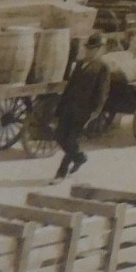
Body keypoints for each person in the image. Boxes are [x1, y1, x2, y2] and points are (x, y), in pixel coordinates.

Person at [52, 33, 112, 181]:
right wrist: (60, 107)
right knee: (59, 136)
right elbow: (70, 86)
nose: (91, 52)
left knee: (72, 140)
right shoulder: (79, 64)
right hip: (69, 107)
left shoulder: (102, 67)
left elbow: (102, 91)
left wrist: (96, 111)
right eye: (89, 48)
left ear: (99, 50)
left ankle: (61, 173)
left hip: (84, 111)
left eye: (95, 49)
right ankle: (80, 157)